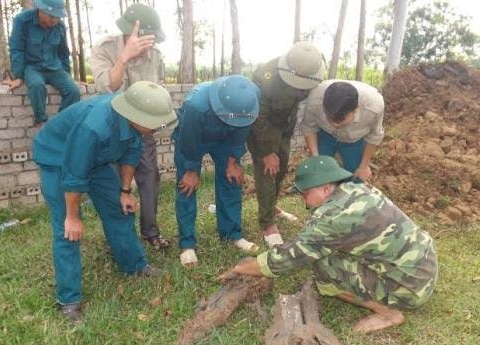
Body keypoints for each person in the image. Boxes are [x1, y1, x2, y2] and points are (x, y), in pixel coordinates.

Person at [218, 156, 438, 333]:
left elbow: (286, 259)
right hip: (424, 268)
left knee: (323, 266)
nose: (303, 202)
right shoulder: (358, 189)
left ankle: (388, 313)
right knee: (326, 252)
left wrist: (239, 268)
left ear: (325, 188)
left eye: (305, 194)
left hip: (408, 289)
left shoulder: (332, 218)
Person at [33, 81, 178, 323]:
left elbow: (131, 154)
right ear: (136, 116)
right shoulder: (94, 127)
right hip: (58, 158)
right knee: (68, 231)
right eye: (153, 124)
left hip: (98, 160)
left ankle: (134, 265)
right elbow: (74, 172)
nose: (156, 129)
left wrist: (124, 191)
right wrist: (73, 216)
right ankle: (68, 300)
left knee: (120, 211)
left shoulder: (135, 118)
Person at [91, 4, 170, 250]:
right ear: (131, 31)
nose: (150, 43)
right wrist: (125, 56)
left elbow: (157, 92)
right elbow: (108, 88)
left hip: (142, 131)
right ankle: (119, 237)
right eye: (147, 37)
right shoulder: (104, 49)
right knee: (115, 184)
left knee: (149, 178)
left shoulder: (155, 56)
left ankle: (150, 231)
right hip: (112, 131)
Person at [173, 75, 260, 267]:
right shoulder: (196, 105)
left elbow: (243, 129)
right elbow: (189, 139)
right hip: (194, 137)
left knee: (232, 180)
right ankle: (187, 244)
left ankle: (232, 234)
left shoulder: (251, 97)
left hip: (226, 140)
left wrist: (232, 161)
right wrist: (191, 169)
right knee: (187, 186)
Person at [248, 41, 325, 248]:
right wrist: (266, 152)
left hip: (284, 126)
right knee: (268, 171)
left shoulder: (312, 67)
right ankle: (267, 222)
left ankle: (272, 207)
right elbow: (258, 118)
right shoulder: (266, 79)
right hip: (263, 127)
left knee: (280, 169)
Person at [4, 0, 80, 127]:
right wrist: (19, 77)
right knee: (37, 86)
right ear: (41, 10)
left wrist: (68, 76)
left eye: (57, 17)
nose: (54, 20)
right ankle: (41, 122)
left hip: (55, 68)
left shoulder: (60, 26)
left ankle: (59, 124)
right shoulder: (22, 21)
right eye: (51, 16)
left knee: (73, 91)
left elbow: (63, 53)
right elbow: (17, 49)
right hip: (33, 68)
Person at [302, 80, 384, 182]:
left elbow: (374, 136)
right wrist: (315, 158)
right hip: (325, 134)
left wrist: (364, 166)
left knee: (357, 178)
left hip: (354, 141)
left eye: (341, 121)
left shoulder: (374, 107)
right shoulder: (315, 100)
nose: (335, 125)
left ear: (356, 109)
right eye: (330, 119)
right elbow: (309, 127)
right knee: (318, 174)